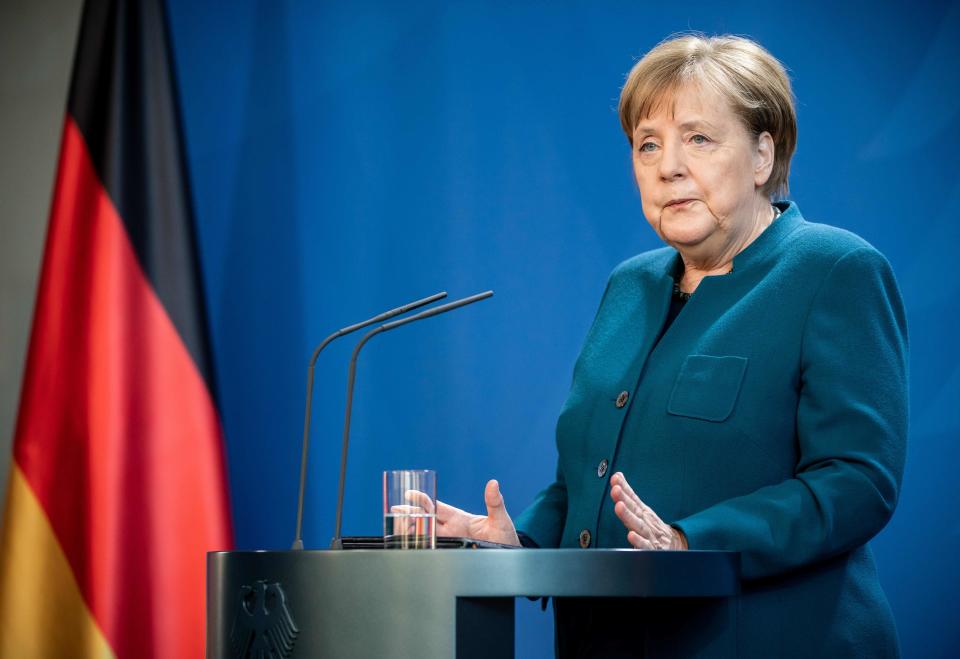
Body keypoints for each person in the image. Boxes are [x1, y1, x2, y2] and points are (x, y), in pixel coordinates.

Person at [434, 33, 907, 658]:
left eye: (699, 139)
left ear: (763, 154)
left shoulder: (834, 270)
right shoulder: (629, 285)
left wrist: (690, 541)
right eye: (647, 145)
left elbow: (855, 481)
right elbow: (588, 475)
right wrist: (517, 544)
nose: (668, 167)